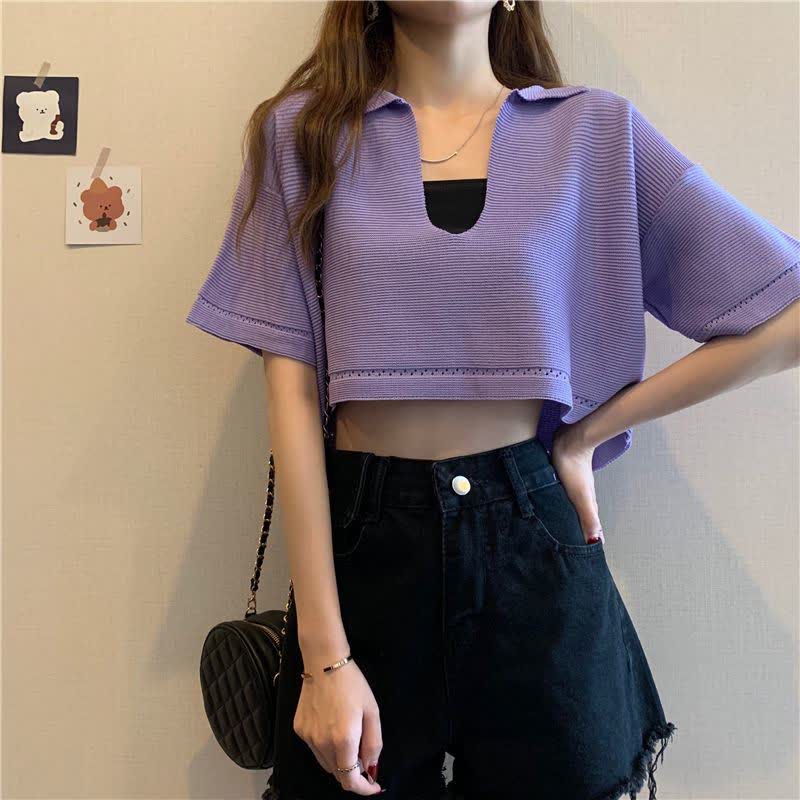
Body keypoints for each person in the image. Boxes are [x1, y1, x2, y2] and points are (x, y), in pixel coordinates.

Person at [185, 2, 800, 799]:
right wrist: (324, 659)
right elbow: (293, 400)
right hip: (364, 546)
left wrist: (587, 435)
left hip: (532, 534)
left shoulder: (594, 132)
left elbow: (785, 317)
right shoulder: (302, 135)